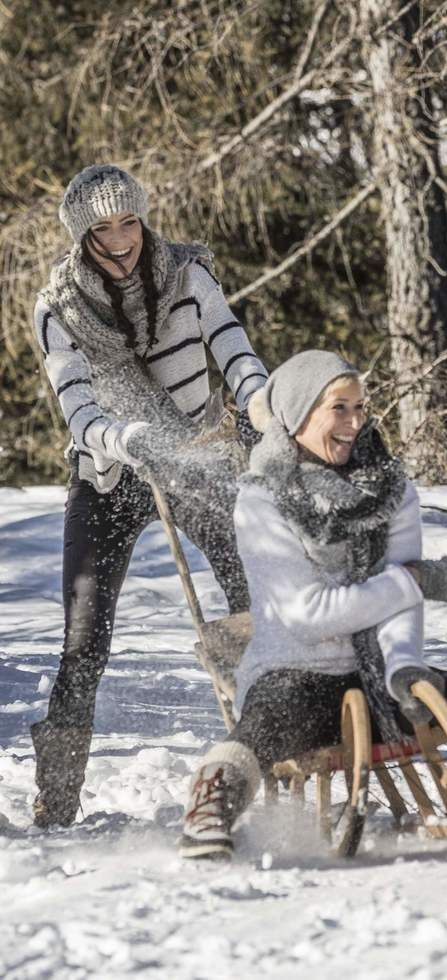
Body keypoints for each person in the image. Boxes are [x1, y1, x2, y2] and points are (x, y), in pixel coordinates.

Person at [179, 350, 447, 859]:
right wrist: (410, 583)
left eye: (360, 406)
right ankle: (212, 805)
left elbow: (400, 600)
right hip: (294, 668)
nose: (355, 421)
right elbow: (307, 614)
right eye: (338, 408)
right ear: (298, 414)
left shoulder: (389, 489)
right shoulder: (262, 499)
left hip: (374, 668)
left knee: (444, 692)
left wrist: (405, 666)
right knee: (270, 718)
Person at [31, 164, 269, 828]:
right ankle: (58, 793)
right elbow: (78, 410)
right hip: (109, 476)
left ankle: (273, 743)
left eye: (129, 221)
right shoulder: (59, 308)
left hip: (195, 460)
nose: (122, 237)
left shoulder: (189, 274)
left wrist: (259, 399)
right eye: (104, 227)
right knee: (85, 637)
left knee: (256, 598)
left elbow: (234, 347)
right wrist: (129, 438)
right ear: (82, 237)